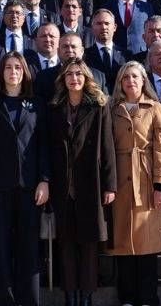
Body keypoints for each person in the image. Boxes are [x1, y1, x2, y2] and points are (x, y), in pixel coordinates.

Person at [0, 53, 48, 306]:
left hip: (30, 187)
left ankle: (28, 300)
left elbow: (43, 145)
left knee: (28, 248)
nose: (13, 71)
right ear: (1, 73)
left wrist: (44, 179)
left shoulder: (37, 104)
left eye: (18, 67)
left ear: (24, 72)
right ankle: (2, 300)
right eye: (8, 67)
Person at [44, 57, 114, 306]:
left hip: (90, 184)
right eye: (70, 74)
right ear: (63, 79)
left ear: (86, 78)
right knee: (66, 243)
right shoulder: (53, 107)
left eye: (79, 74)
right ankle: (70, 293)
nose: (74, 78)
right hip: (62, 184)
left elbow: (107, 147)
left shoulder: (98, 105)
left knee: (89, 242)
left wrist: (110, 185)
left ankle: (87, 294)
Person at [106, 61, 161, 306]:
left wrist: (160, 185)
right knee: (122, 242)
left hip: (145, 180)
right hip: (120, 182)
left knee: (146, 242)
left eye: (135, 76)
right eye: (126, 77)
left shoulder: (155, 108)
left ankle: (147, 297)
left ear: (144, 80)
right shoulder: (112, 109)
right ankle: (127, 297)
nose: (130, 81)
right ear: (120, 82)